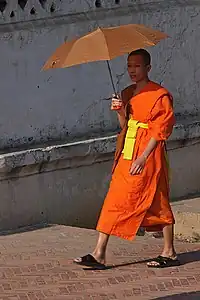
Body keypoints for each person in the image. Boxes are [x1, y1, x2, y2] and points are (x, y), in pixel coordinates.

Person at [74, 48, 179, 269]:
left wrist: (143, 158)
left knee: (157, 199)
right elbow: (125, 127)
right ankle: (99, 252)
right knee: (114, 198)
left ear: (148, 68)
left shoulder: (159, 95)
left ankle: (169, 252)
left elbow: (159, 131)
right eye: (129, 66)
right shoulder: (127, 92)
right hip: (127, 151)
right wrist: (120, 111)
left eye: (137, 66)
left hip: (149, 154)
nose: (132, 70)